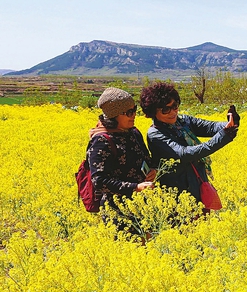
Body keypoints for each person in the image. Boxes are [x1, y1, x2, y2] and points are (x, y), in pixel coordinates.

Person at [140, 81, 238, 208]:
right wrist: (223, 136)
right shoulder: (155, 134)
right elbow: (185, 153)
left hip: (197, 184)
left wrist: (231, 122)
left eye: (175, 106)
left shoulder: (182, 121)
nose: (172, 112)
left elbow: (210, 127)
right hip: (177, 194)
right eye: (165, 110)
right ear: (153, 112)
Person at [86, 87, 154, 218]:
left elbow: (146, 158)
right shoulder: (101, 141)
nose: (134, 115)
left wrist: (152, 169)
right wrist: (135, 187)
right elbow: (99, 181)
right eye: (129, 112)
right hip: (118, 210)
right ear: (114, 115)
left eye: (134, 110)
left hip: (144, 205)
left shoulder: (133, 132)